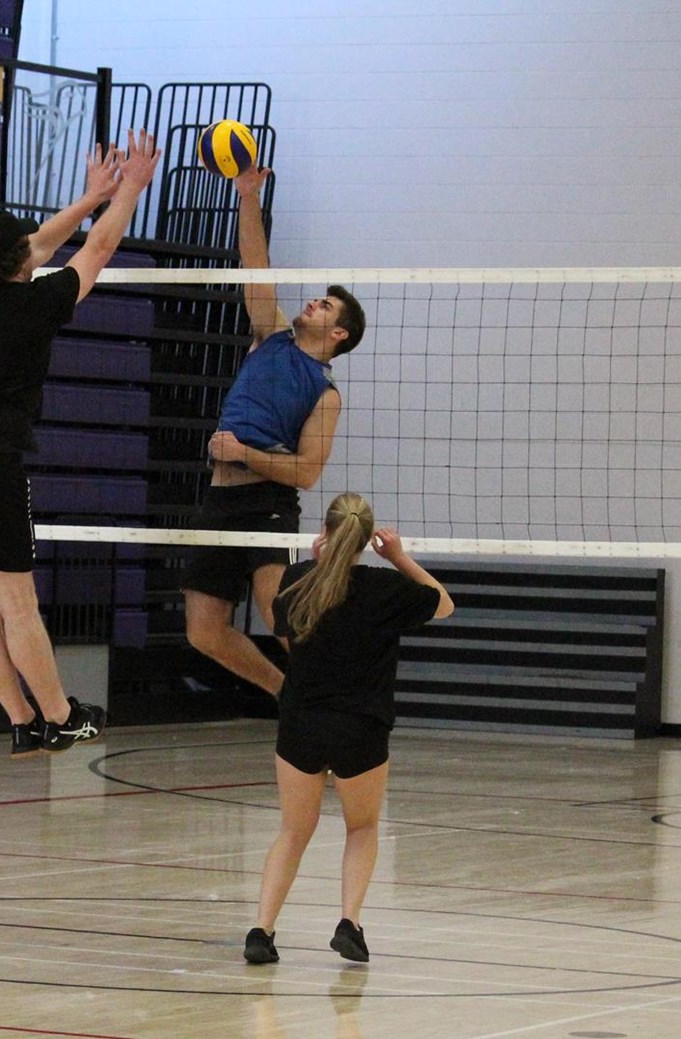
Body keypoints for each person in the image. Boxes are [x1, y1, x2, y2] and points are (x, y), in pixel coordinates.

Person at [0, 130, 160, 757]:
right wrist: (126, 191)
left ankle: (21, 718)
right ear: (18, 263)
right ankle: (61, 714)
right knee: (17, 605)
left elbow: (39, 243)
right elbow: (97, 248)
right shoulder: (38, 303)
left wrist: (89, 194)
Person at [245, 494, 453, 966]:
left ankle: (261, 930)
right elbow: (444, 605)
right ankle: (348, 924)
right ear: (368, 539)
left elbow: (280, 618)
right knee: (362, 827)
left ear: (327, 532)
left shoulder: (297, 580)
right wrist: (399, 558)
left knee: (294, 832)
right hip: (361, 725)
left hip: (301, 722)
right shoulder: (386, 587)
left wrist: (315, 564)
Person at [183, 164, 367, 700]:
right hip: (218, 500)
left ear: (337, 333)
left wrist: (244, 451)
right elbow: (254, 264)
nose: (313, 301)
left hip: (269, 503)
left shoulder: (325, 394)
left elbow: (307, 473)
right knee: (203, 631)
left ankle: (339, 699)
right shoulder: (271, 335)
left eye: (325, 305)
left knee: (280, 618)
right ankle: (289, 697)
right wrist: (246, 197)